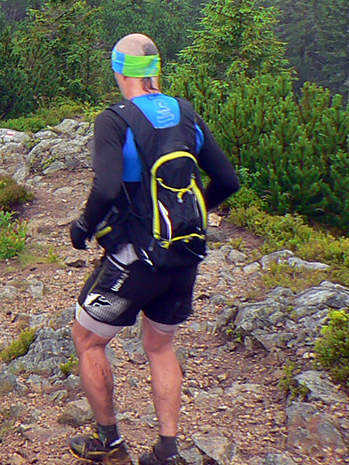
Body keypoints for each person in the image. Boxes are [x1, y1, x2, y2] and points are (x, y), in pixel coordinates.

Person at [66, 34, 240, 465]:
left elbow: (107, 187)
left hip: (136, 259)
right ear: (156, 70)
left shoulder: (115, 120)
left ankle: (109, 444)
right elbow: (227, 180)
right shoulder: (186, 113)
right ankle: (166, 451)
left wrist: (83, 227)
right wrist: (190, 216)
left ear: (119, 70)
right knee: (160, 347)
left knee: (87, 339)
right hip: (183, 256)